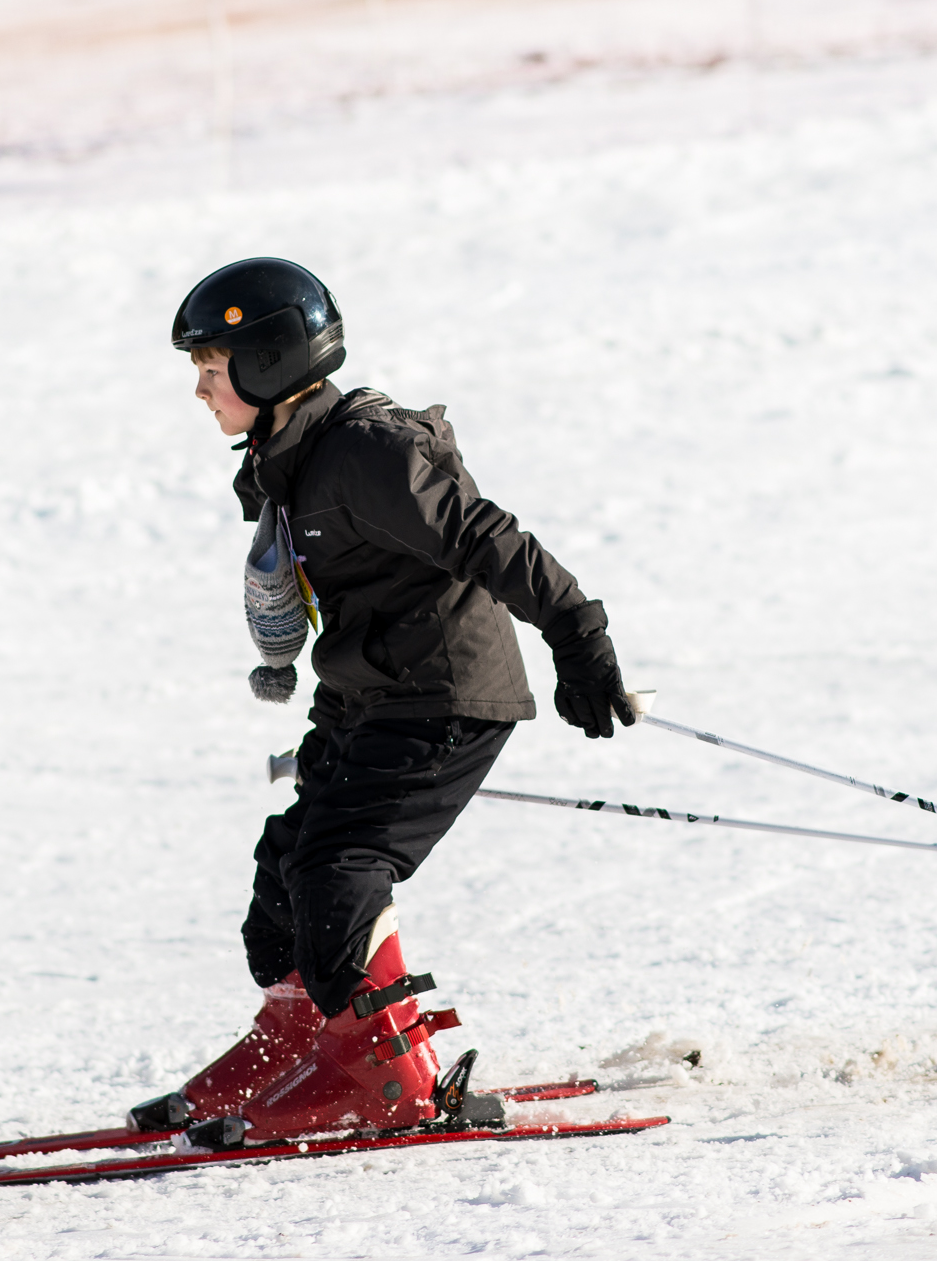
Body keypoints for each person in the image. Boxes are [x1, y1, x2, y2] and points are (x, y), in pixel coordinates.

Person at [130, 257, 634, 1151]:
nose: (201, 392)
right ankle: (296, 1041)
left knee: (340, 868)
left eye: (211, 371)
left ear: (271, 363)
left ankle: (387, 1073)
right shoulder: (287, 457)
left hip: (443, 696)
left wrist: (578, 637)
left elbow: (486, 537)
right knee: (286, 868)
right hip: (370, 695)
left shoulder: (366, 451)